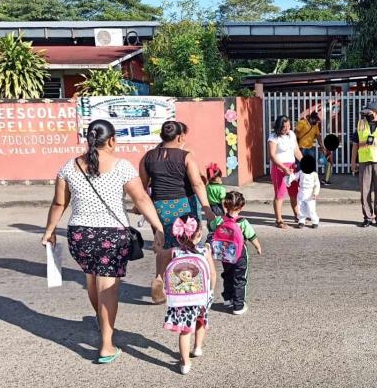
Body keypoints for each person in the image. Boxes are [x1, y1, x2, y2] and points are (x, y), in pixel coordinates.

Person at [41, 119, 165, 364]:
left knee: (92, 278)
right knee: (107, 288)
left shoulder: (69, 166)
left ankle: (103, 324)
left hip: (79, 234)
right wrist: (157, 226)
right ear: (111, 140)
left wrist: (49, 230)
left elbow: (59, 203)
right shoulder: (122, 167)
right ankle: (106, 344)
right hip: (111, 235)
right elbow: (140, 199)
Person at [139, 120, 216, 305]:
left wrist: (140, 206)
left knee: (164, 244)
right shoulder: (185, 157)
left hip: (159, 207)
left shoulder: (148, 157)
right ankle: (183, 284)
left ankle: (159, 280)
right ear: (180, 137)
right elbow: (197, 184)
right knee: (187, 245)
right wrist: (207, 208)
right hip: (184, 205)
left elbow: (142, 185)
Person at [163, 215, 216, 375]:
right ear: (199, 233)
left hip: (180, 299)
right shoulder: (205, 250)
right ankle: (198, 348)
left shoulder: (173, 252)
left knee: (185, 330)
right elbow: (212, 274)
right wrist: (211, 291)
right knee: (201, 321)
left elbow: (162, 265)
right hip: (201, 297)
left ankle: (185, 363)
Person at [208, 191, 262, 315]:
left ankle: (228, 299)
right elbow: (252, 236)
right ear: (241, 207)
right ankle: (238, 305)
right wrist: (258, 246)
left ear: (225, 205)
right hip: (239, 254)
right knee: (239, 278)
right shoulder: (242, 222)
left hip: (224, 253)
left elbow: (211, 227)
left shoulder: (219, 220)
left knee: (227, 275)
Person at [268, 115, 303, 228]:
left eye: (288, 125)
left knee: (294, 192)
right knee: (280, 194)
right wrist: (283, 168)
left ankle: (297, 214)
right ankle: (279, 220)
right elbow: (272, 155)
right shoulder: (273, 137)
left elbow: (296, 150)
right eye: (284, 127)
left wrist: (305, 162)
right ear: (279, 127)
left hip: (292, 167)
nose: (287, 128)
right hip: (279, 168)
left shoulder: (292, 135)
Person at [286, 154, 321, 228]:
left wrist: (315, 193)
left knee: (311, 209)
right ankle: (301, 221)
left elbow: (317, 185)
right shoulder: (301, 172)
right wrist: (290, 174)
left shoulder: (314, 174)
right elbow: (294, 177)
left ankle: (315, 221)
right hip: (301, 192)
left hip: (310, 194)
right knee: (300, 208)